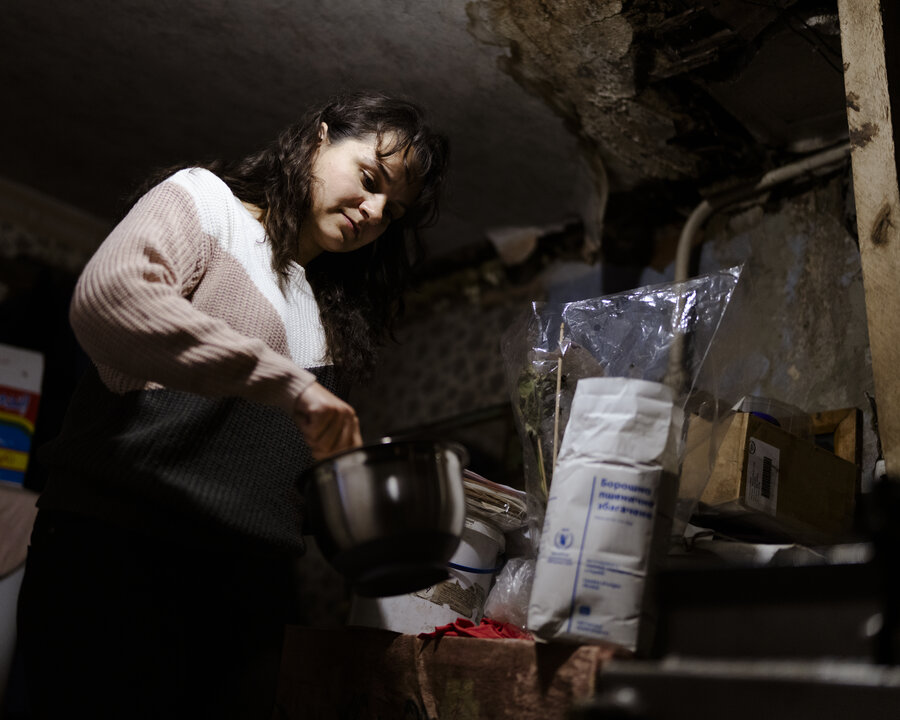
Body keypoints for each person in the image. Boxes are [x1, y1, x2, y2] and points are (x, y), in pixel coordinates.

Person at [15, 91, 449, 719]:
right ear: (321, 139)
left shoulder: (332, 325)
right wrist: (287, 383)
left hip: (251, 594)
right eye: (370, 178)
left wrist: (384, 517)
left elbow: (281, 493)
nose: (376, 209)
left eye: (394, 210)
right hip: (118, 554)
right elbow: (109, 299)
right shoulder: (206, 204)